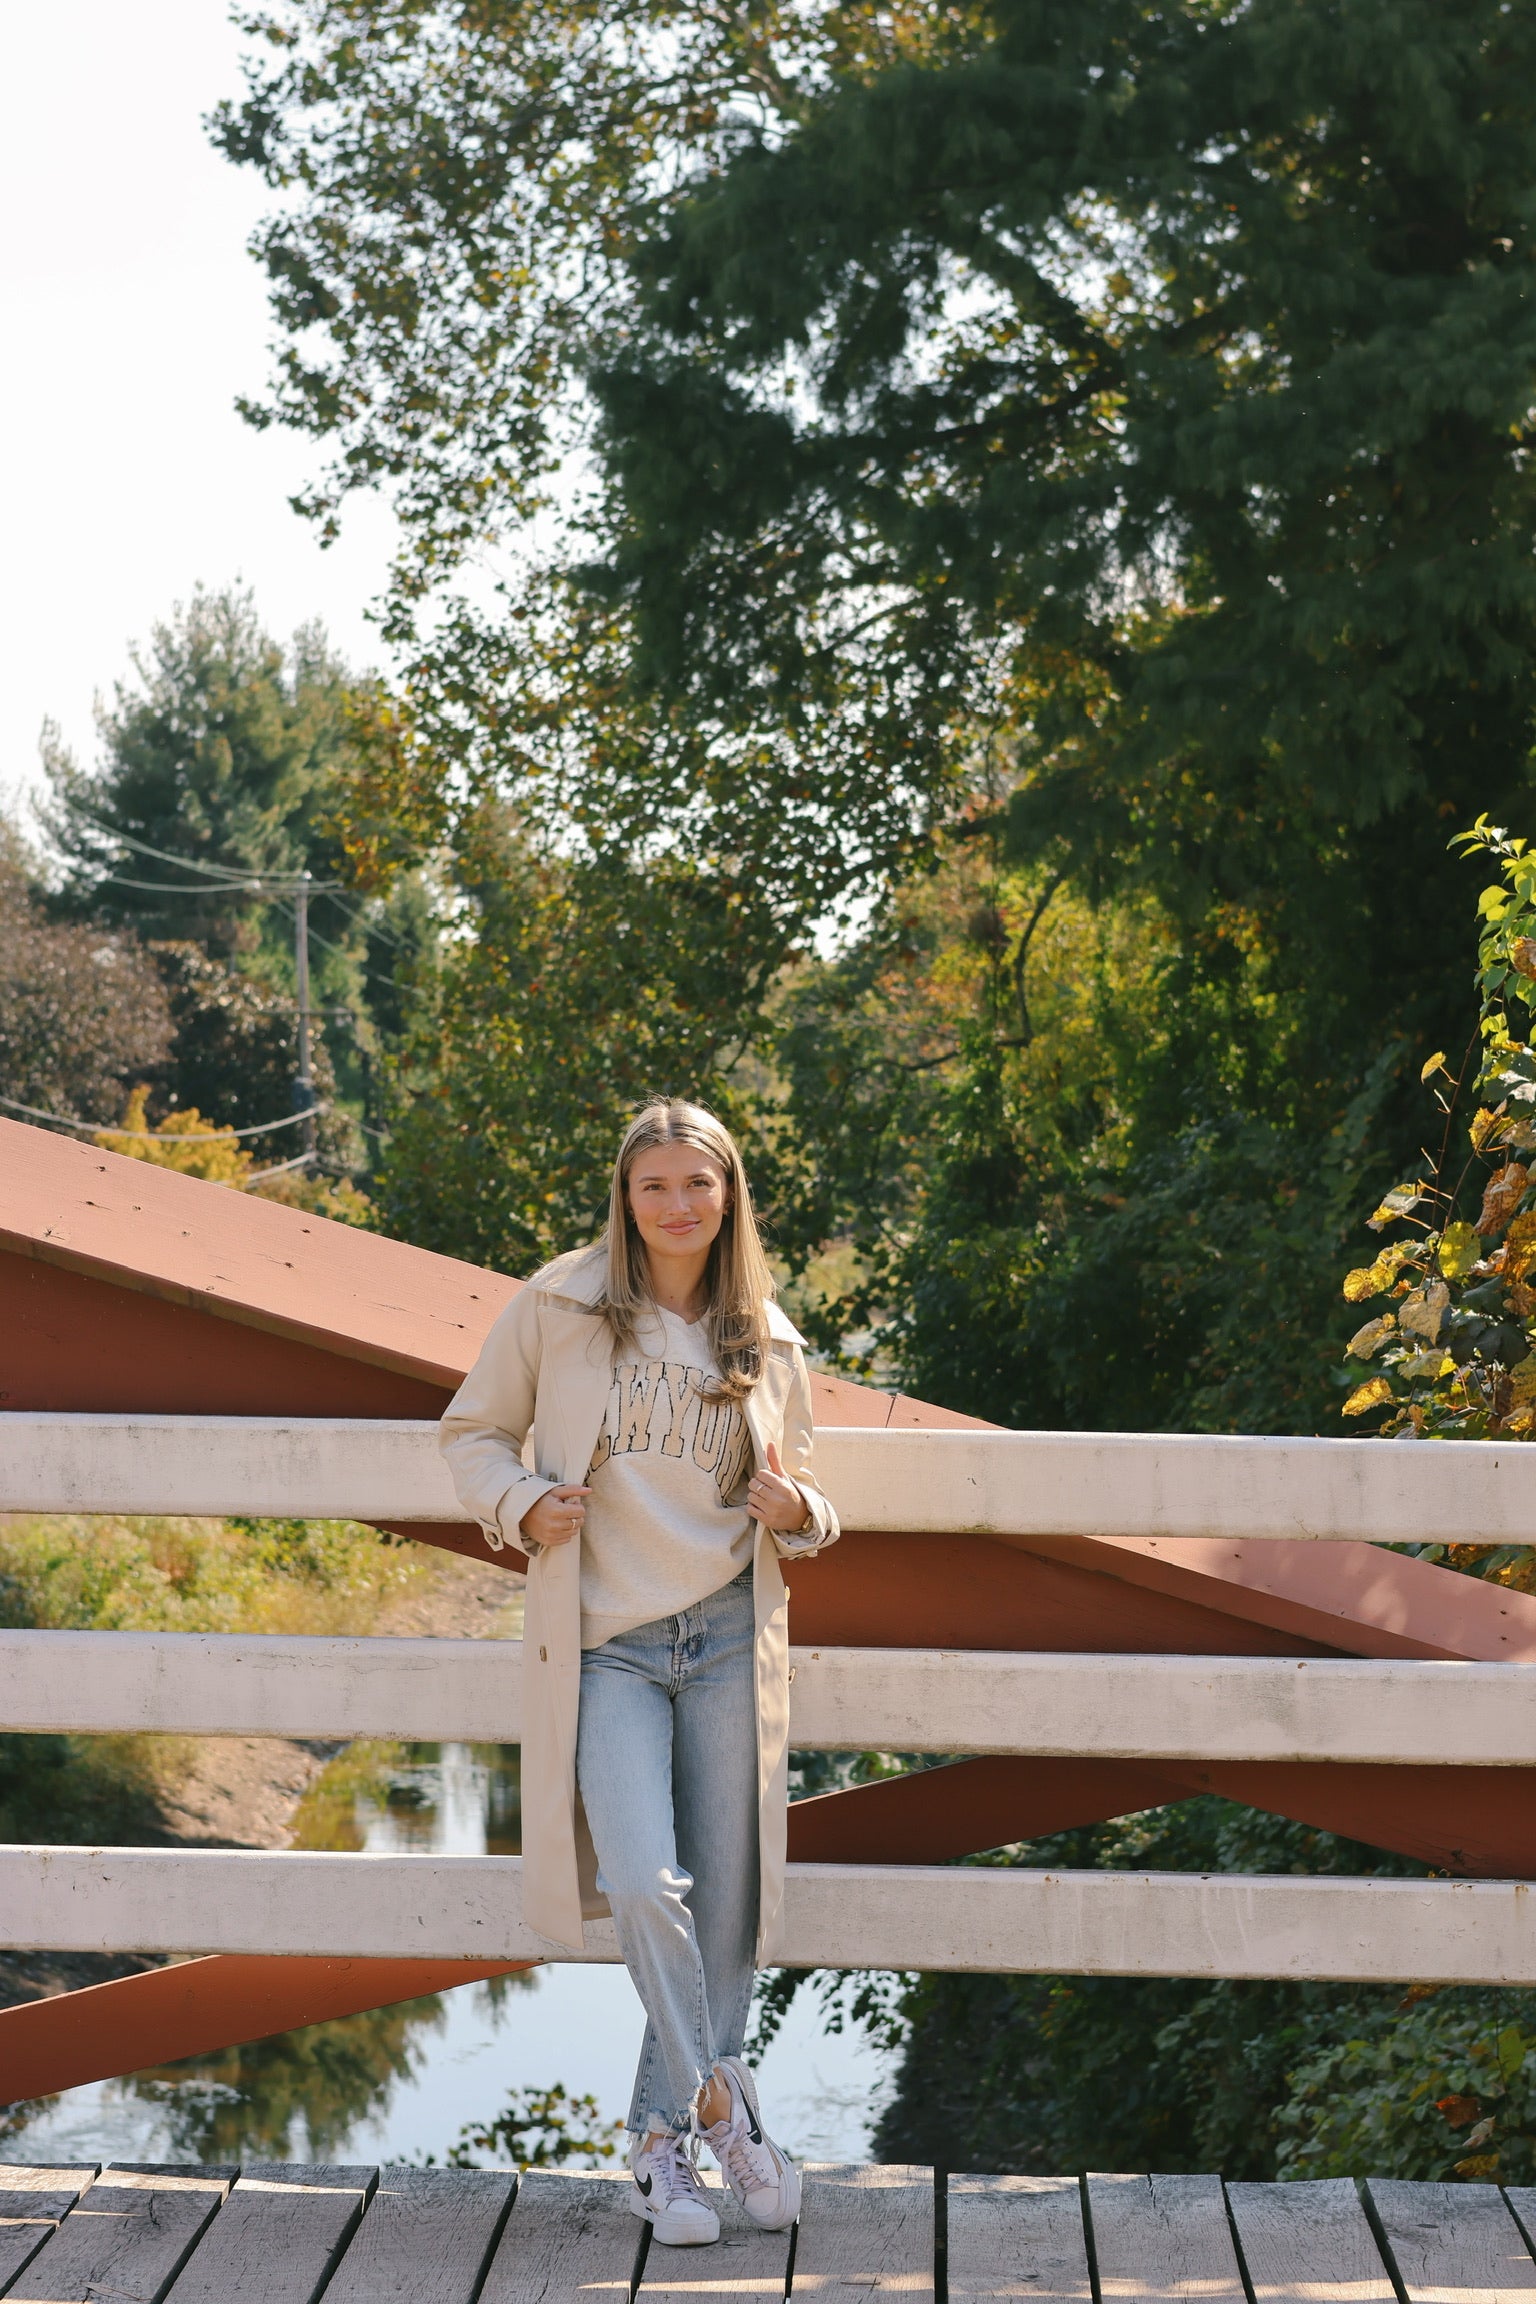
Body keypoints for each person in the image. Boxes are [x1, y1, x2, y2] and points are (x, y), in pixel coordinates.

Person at [440, 1099, 840, 2246]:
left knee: (730, 1902)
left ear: (728, 1198)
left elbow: (810, 1491)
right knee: (644, 1882)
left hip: (724, 1641)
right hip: (609, 1646)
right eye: (654, 1186)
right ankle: (727, 2105)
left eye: (697, 1187)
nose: (676, 1207)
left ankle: (659, 2148)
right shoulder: (561, 1307)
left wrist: (798, 1508)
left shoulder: (764, 1331)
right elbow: (469, 1434)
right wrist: (520, 1503)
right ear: (625, 1197)